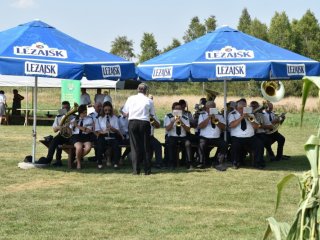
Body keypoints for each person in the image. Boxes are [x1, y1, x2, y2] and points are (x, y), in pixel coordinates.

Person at [122, 83, 155, 175]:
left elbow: (125, 112)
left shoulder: (130, 98)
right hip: (144, 123)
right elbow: (152, 114)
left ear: (137, 89)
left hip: (132, 122)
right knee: (146, 146)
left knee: (134, 147)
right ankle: (147, 170)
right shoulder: (149, 100)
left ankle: (136, 170)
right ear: (146, 90)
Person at [228, 99, 265, 169]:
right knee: (235, 146)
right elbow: (232, 125)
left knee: (259, 144)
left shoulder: (250, 114)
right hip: (237, 137)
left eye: (244, 108)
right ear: (236, 108)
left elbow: (257, 126)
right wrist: (242, 117)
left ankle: (258, 163)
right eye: (241, 108)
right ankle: (235, 162)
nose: (243, 110)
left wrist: (249, 118)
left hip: (250, 137)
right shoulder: (232, 114)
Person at [197, 101, 228, 168]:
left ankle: (218, 161)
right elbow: (200, 126)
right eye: (209, 108)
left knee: (224, 144)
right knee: (201, 144)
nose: (210, 109)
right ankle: (201, 162)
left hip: (216, 137)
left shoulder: (219, 115)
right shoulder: (202, 115)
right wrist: (208, 118)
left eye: (213, 108)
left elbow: (224, 128)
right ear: (206, 108)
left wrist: (215, 119)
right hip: (204, 137)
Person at [43, 101, 73, 166]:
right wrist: (59, 127)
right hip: (62, 135)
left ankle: (72, 159)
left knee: (72, 144)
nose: (65, 110)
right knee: (54, 141)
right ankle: (49, 159)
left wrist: (68, 125)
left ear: (70, 108)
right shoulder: (58, 116)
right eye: (63, 108)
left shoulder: (73, 116)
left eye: (67, 108)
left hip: (71, 135)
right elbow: (54, 130)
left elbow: (73, 130)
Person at [164, 102, 192, 170]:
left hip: (182, 137)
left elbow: (188, 130)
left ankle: (188, 163)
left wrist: (181, 122)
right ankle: (171, 163)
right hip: (172, 136)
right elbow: (167, 129)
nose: (178, 111)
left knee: (188, 144)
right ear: (173, 109)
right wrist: (173, 121)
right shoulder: (168, 116)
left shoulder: (185, 117)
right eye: (176, 109)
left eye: (180, 109)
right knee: (171, 143)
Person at [95, 101, 122, 169]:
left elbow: (117, 130)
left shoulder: (115, 118)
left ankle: (116, 163)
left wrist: (112, 128)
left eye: (109, 110)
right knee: (99, 145)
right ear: (103, 110)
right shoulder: (99, 118)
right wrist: (103, 132)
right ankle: (99, 163)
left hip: (112, 134)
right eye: (106, 110)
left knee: (116, 145)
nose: (107, 112)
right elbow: (97, 130)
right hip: (103, 135)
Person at [70, 104, 94, 169]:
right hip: (76, 136)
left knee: (88, 148)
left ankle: (77, 159)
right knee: (79, 147)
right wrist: (67, 126)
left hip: (86, 136)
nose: (85, 114)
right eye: (84, 113)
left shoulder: (89, 119)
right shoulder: (74, 119)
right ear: (80, 113)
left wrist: (77, 125)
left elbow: (88, 130)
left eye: (86, 112)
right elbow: (69, 131)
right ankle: (78, 163)